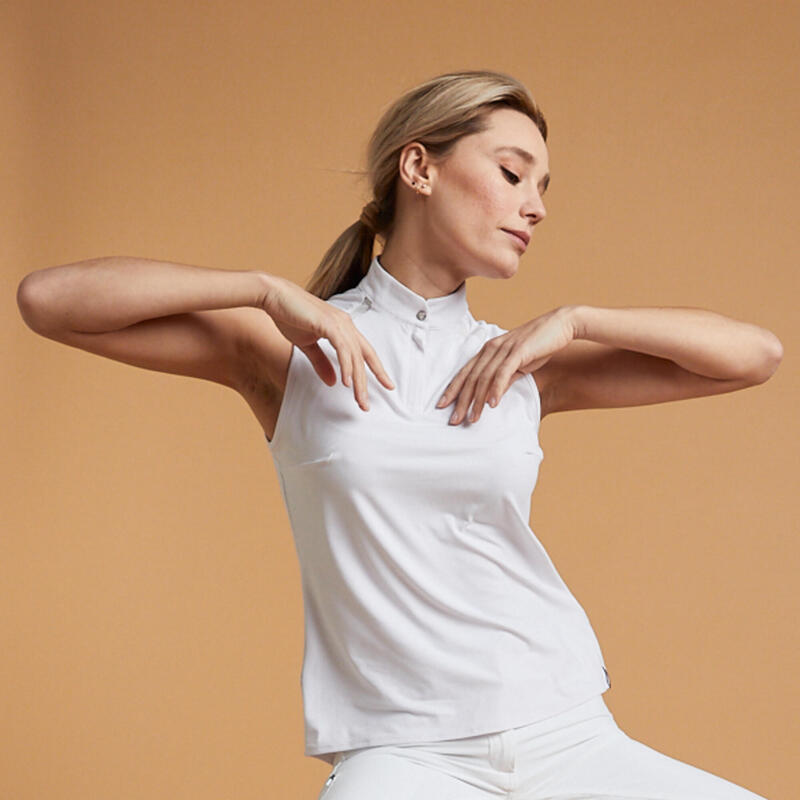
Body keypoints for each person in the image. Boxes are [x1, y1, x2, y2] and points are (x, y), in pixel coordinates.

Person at [16, 70, 781, 799]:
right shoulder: (292, 355)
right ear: (419, 167)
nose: (537, 206)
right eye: (513, 174)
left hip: (565, 729)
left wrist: (578, 320)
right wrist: (263, 291)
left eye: (544, 186)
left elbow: (756, 355)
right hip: (401, 752)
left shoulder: (517, 363)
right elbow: (49, 300)